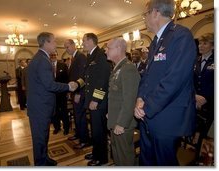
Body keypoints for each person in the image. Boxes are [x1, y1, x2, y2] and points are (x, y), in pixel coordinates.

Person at [134, 0, 197, 166]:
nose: (144, 18)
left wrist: (146, 107)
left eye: (145, 14)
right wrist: (140, 98)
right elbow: (147, 76)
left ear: (155, 13)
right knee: (147, 161)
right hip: (148, 114)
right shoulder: (156, 41)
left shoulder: (181, 35)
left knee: (164, 163)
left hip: (167, 117)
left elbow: (174, 80)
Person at [27, 32, 77, 166]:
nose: (56, 44)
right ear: (46, 43)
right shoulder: (42, 60)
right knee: (39, 138)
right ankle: (41, 164)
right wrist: (68, 86)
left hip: (40, 106)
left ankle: (44, 158)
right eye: (54, 41)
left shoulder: (40, 58)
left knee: (43, 136)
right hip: (40, 107)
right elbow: (49, 85)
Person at [76, 33, 111, 166]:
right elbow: (87, 77)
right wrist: (77, 84)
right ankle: (96, 152)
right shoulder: (91, 55)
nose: (82, 43)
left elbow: (102, 80)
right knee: (95, 130)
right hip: (92, 100)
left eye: (84, 40)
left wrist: (96, 99)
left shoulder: (101, 55)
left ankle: (101, 158)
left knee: (99, 131)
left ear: (91, 41)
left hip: (98, 102)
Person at [106, 37, 140, 165]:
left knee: (125, 157)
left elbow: (130, 99)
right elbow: (117, 95)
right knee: (117, 155)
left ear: (118, 49)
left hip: (122, 124)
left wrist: (121, 123)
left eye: (108, 48)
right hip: (115, 119)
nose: (106, 51)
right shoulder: (118, 67)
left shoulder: (128, 68)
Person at [64, 39, 90, 147]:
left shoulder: (81, 57)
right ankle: (78, 135)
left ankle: (84, 140)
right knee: (77, 116)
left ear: (74, 45)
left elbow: (83, 76)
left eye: (67, 47)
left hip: (80, 92)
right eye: (65, 47)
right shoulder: (74, 58)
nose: (66, 49)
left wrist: (78, 93)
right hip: (74, 92)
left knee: (81, 117)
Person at [193, 33, 214, 160]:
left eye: (205, 43)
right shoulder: (196, 60)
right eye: (200, 43)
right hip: (195, 102)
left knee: (206, 137)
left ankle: (202, 160)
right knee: (195, 132)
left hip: (211, 104)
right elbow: (190, 80)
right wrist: (195, 95)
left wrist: (206, 97)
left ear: (212, 46)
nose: (201, 46)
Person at [50, 52, 70, 135]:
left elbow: (67, 79)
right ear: (49, 56)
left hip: (62, 93)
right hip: (52, 94)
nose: (53, 56)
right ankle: (57, 127)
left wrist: (68, 91)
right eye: (52, 55)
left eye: (55, 55)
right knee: (55, 112)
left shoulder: (62, 65)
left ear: (56, 56)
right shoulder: (47, 66)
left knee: (64, 111)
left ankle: (66, 128)